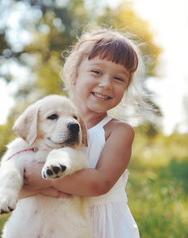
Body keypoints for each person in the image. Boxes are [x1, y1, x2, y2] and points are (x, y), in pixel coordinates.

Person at [22, 28, 150, 238]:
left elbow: (100, 183)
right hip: (56, 224)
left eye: (119, 78)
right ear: (74, 75)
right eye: (97, 72)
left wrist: (46, 178)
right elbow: (25, 177)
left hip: (103, 227)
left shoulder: (118, 131)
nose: (106, 84)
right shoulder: (49, 125)